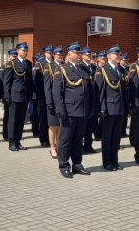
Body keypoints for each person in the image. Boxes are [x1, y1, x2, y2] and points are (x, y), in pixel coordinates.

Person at [53, 42, 94, 178]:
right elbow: (57, 91)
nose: (79, 55)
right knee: (65, 140)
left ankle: (77, 164)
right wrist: (60, 109)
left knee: (78, 139)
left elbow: (89, 91)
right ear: (69, 55)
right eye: (77, 53)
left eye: (80, 53)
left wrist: (90, 107)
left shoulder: (84, 69)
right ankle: (64, 165)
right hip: (69, 110)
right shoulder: (62, 69)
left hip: (82, 110)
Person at [95, 45, 127, 171]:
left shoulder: (120, 70)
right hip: (108, 109)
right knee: (107, 138)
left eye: (119, 55)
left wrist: (125, 107)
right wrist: (101, 108)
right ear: (109, 56)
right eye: (116, 55)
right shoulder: (102, 70)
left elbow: (123, 91)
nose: (119, 56)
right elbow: (100, 91)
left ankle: (115, 161)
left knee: (116, 137)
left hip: (119, 108)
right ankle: (107, 162)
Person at [3, 42, 33, 151]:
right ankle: (11, 142)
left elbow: (30, 81)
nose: (25, 52)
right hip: (14, 96)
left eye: (26, 50)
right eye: (23, 50)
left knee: (21, 120)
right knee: (13, 120)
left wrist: (30, 95)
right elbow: (7, 82)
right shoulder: (12, 64)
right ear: (18, 51)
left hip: (25, 96)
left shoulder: (29, 63)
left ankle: (18, 140)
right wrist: (7, 96)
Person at [44, 45, 65, 158]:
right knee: (53, 125)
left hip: (62, 101)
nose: (60, 57)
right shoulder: (49, 67)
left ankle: (59, 146)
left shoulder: (65, 66)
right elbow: (47, 86)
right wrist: (49, 102)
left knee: (61, 125)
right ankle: (52, 147)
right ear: (54, 55)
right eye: (58, 55)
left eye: (62, 55)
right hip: (52, 100)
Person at [80, 46, 98, 154]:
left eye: (89, 54)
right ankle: (81, 146)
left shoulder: (93, 67)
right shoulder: (81, 67)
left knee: (91, 124)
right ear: (82, 55)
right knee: (83, 125)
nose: (89, 56)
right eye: (87, 54)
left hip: (93, 98)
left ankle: (88, 145)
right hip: (83, 99)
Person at [32, 50, 50, 147]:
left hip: (51, 97)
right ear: (45, 53)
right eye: (48, 52)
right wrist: (39, 97)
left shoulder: (56, 64)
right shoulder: (40, 64)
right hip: (42, 96)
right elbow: (37, 83)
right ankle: (43, 139)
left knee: (51, 120)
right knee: (43, 119)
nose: (50, 53)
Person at [0, 49, 18, 141]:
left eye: (16, 56)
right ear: (9, 57)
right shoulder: (5, 66)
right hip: (7, 94)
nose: (14, 58)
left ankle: (13, 134)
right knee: (7, 115)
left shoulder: (17, 66)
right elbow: (2, 81)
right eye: (13, 56)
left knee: (14, 116)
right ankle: (6, 134)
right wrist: (3, 95)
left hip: (15, 95)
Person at [119, 53, 130, 137]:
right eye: (124, 60)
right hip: (123, 92)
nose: (126, 62)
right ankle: (121, 131)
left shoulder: (127, 69)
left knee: (126, 113)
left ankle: (123, 130)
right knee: (122, 114)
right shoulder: (119, 69)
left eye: (127, 60)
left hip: (127, 93)